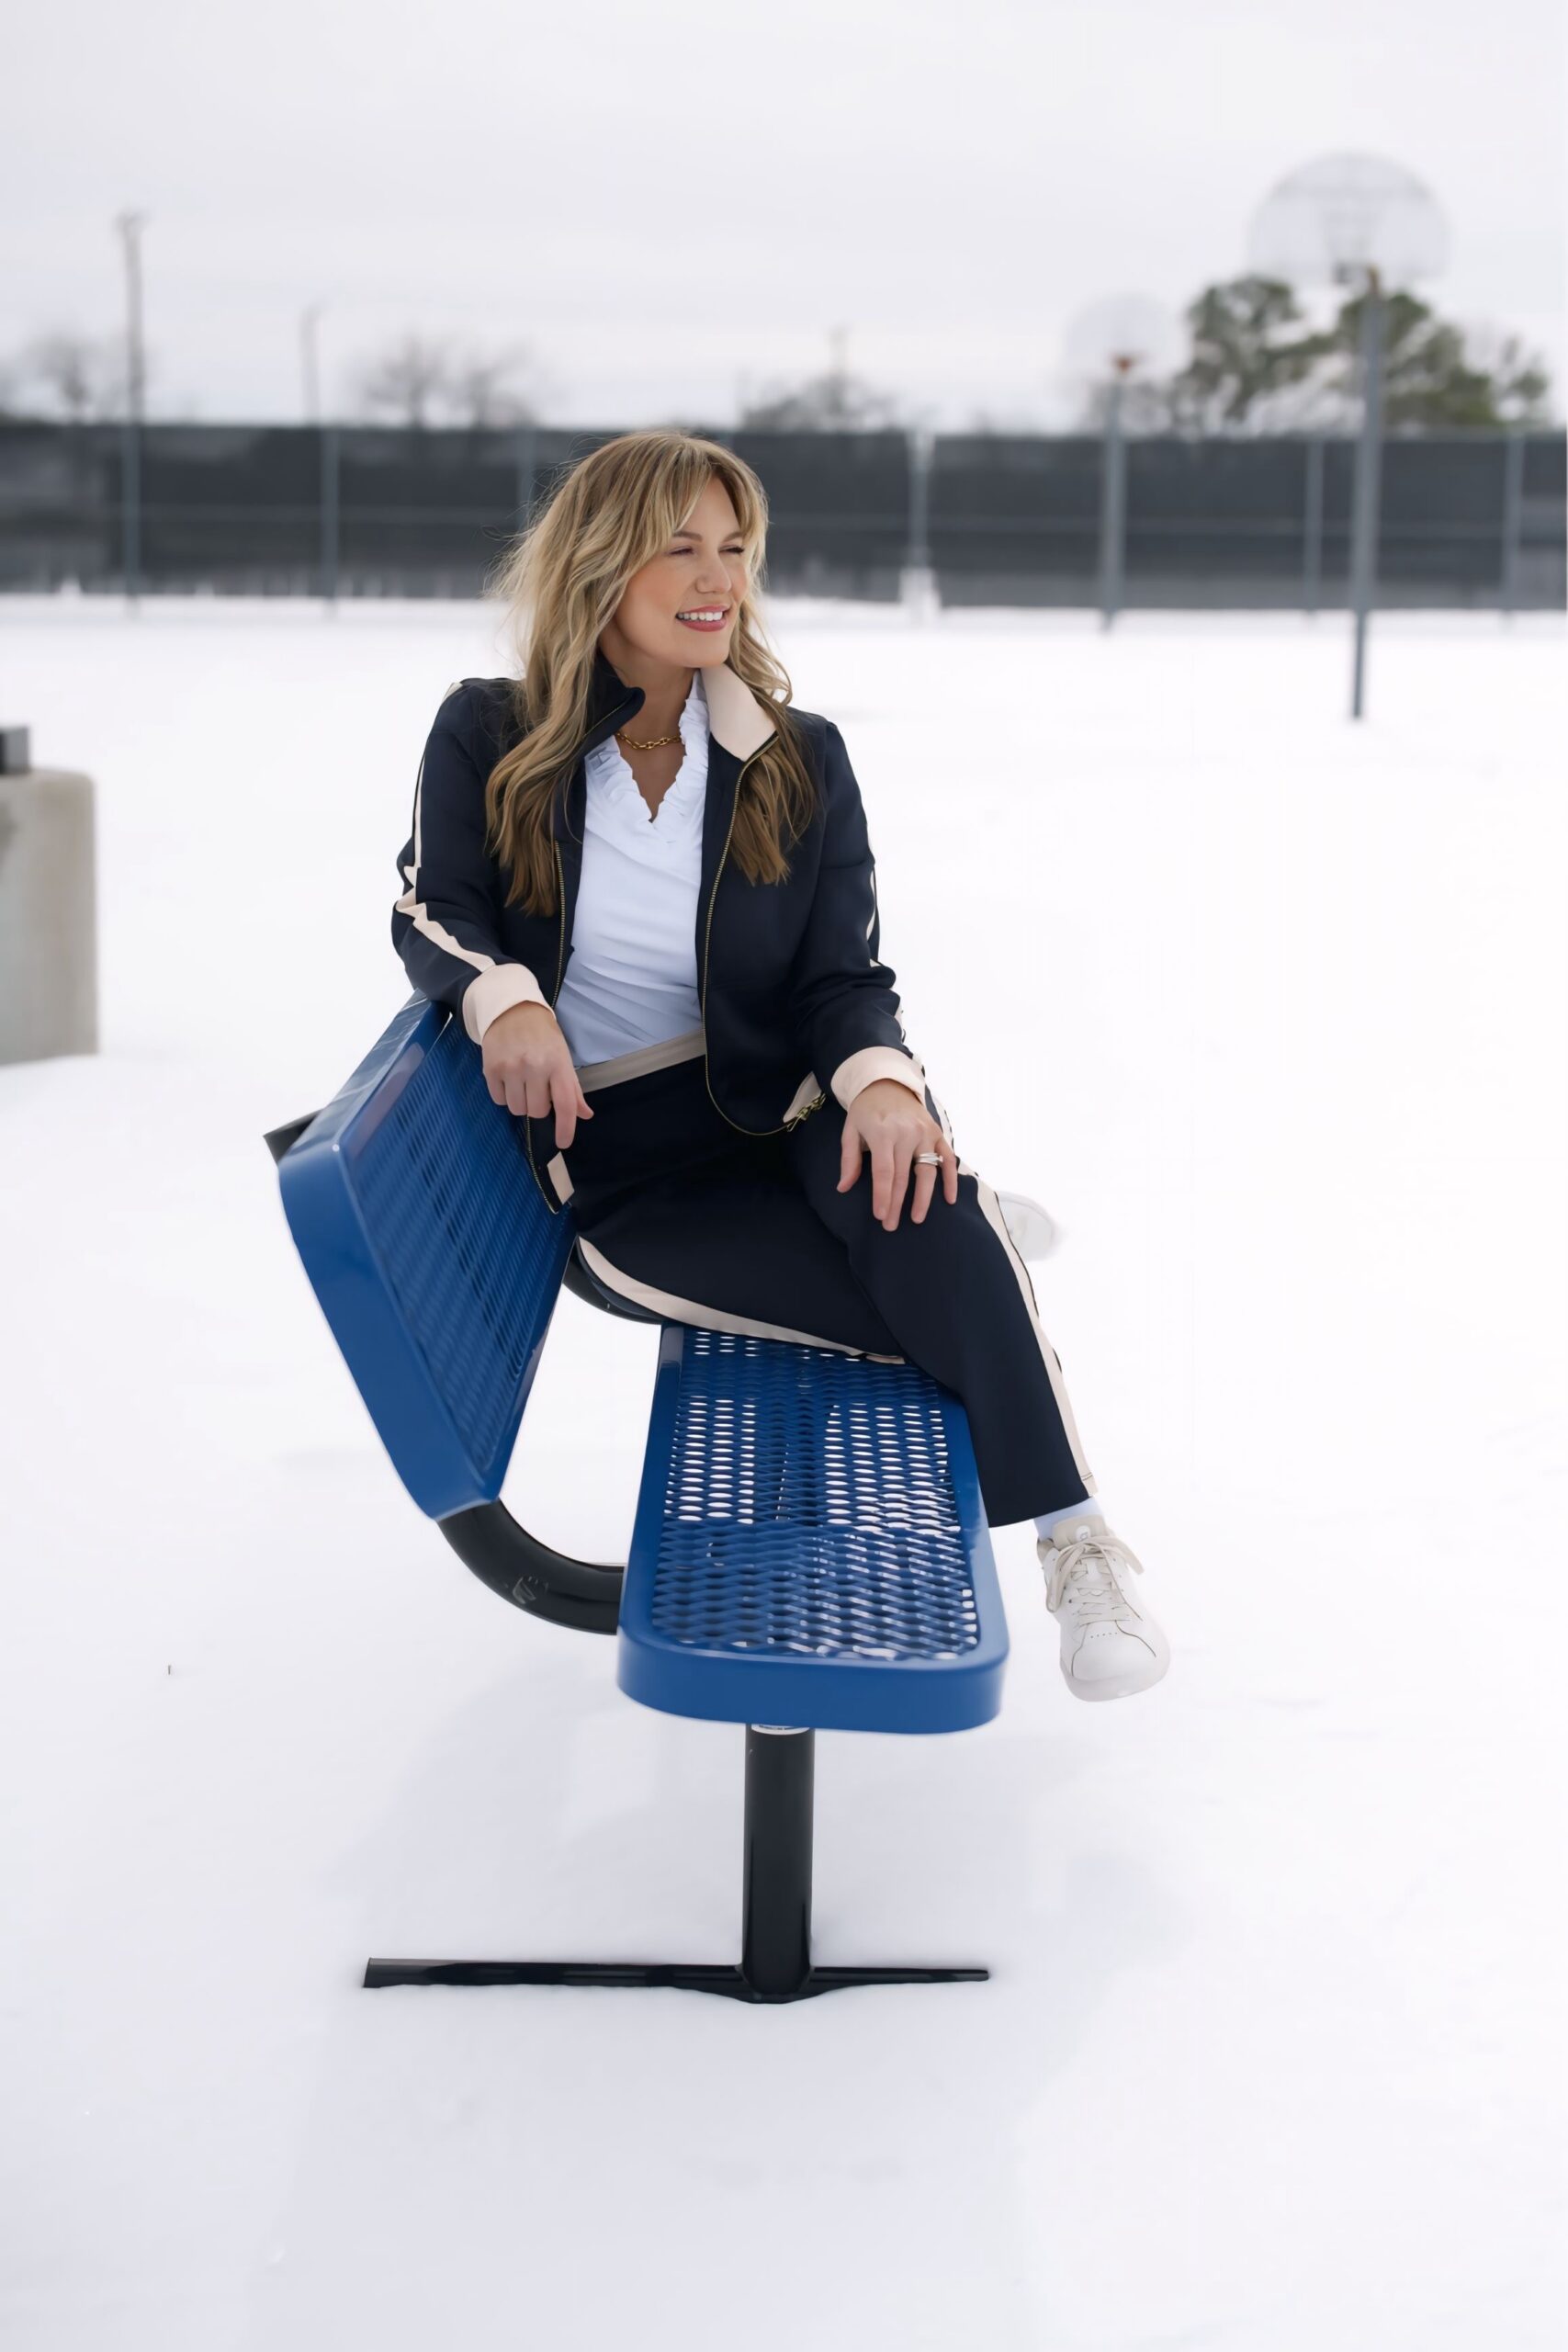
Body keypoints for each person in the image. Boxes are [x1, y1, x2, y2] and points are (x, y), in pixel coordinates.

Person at [392, 429, 1168, 1702]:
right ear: (603, 562)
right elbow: (433, 906)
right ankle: (985, 1251)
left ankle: (1082, 1548)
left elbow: (842, 978)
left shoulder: (796, 757)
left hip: (783, 1100)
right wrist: (505, 1001)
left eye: (738, 551)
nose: (719, 580)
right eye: (683, 547)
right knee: (938, 1286)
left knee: (911, 1202)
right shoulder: (493, 733)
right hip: (629, 1173)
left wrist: (880, 1083)